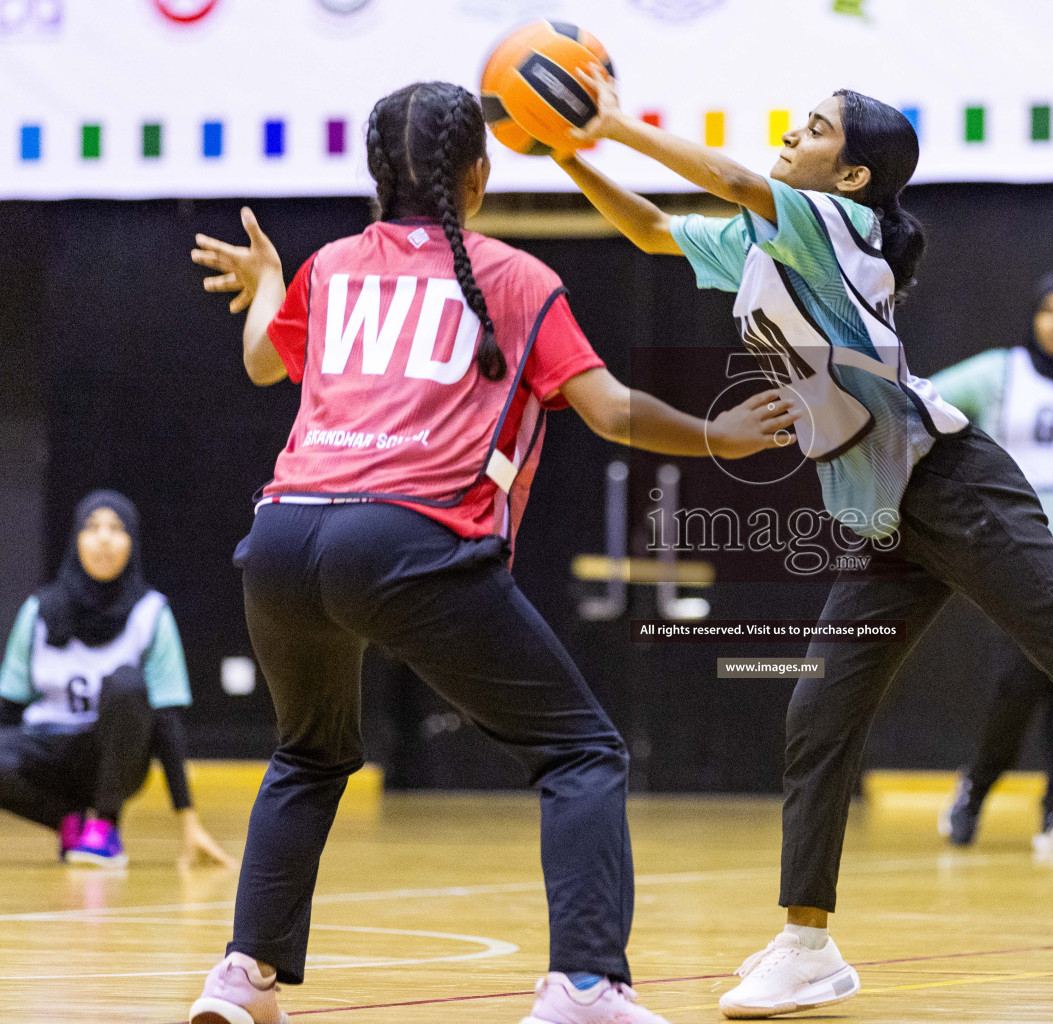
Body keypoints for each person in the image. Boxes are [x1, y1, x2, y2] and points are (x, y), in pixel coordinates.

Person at [554, 73, 1053, 1018]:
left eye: (817, 128)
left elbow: (732, 180)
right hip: (885, 514)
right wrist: (569, 155)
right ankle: (806, 943)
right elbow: (649, 230)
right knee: (819, 713)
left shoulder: (837, 226)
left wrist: (614, 123)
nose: (793, 133)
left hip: (953, 483)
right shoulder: (763, 242)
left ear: (854, 172)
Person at [185, 82, 795, 1024]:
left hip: (282, 536)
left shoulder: (334, 265)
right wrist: (726, 437)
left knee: (306, 756)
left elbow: (264, 362)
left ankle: (242, 976)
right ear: (480, 173)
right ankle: (585, 984)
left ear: (375, 174)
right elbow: (612, 410)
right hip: (403, 537)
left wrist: (270, 279)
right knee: (581, 751)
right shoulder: (511, 275)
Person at [931, 272, 1053, 853]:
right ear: (1034, 320)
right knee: (1016, 683)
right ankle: (975, 790)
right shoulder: (999, 372)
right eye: (1049, 311)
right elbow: (921, 399)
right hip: (1017, 554)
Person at [0, 490, 234, 870]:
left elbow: (166, 721)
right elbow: (9, 709)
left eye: (117, 528)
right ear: (76, 539)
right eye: (92, 527)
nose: (104, 538)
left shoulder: (151, 612)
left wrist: (189, 821)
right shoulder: (39, 610)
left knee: (127, 684)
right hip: (47, 753)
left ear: (132, 544)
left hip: (114, 759)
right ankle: (69, 822)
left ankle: (105, 827)